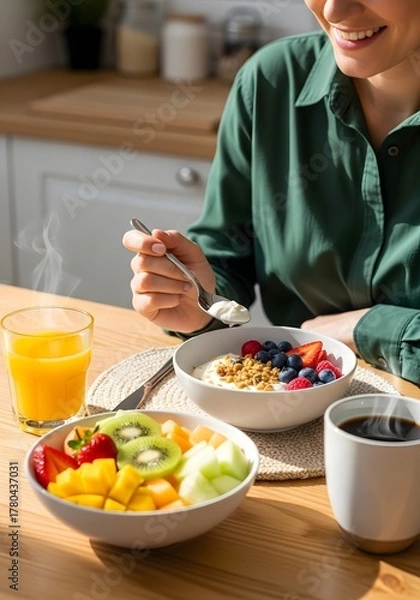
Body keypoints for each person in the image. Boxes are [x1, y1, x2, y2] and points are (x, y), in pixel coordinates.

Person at [123, 1, 420, 385]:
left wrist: (369, 327)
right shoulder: (272, 81)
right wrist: (197, 299)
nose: (333, 10)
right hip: (292, 420)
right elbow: (228, 252)